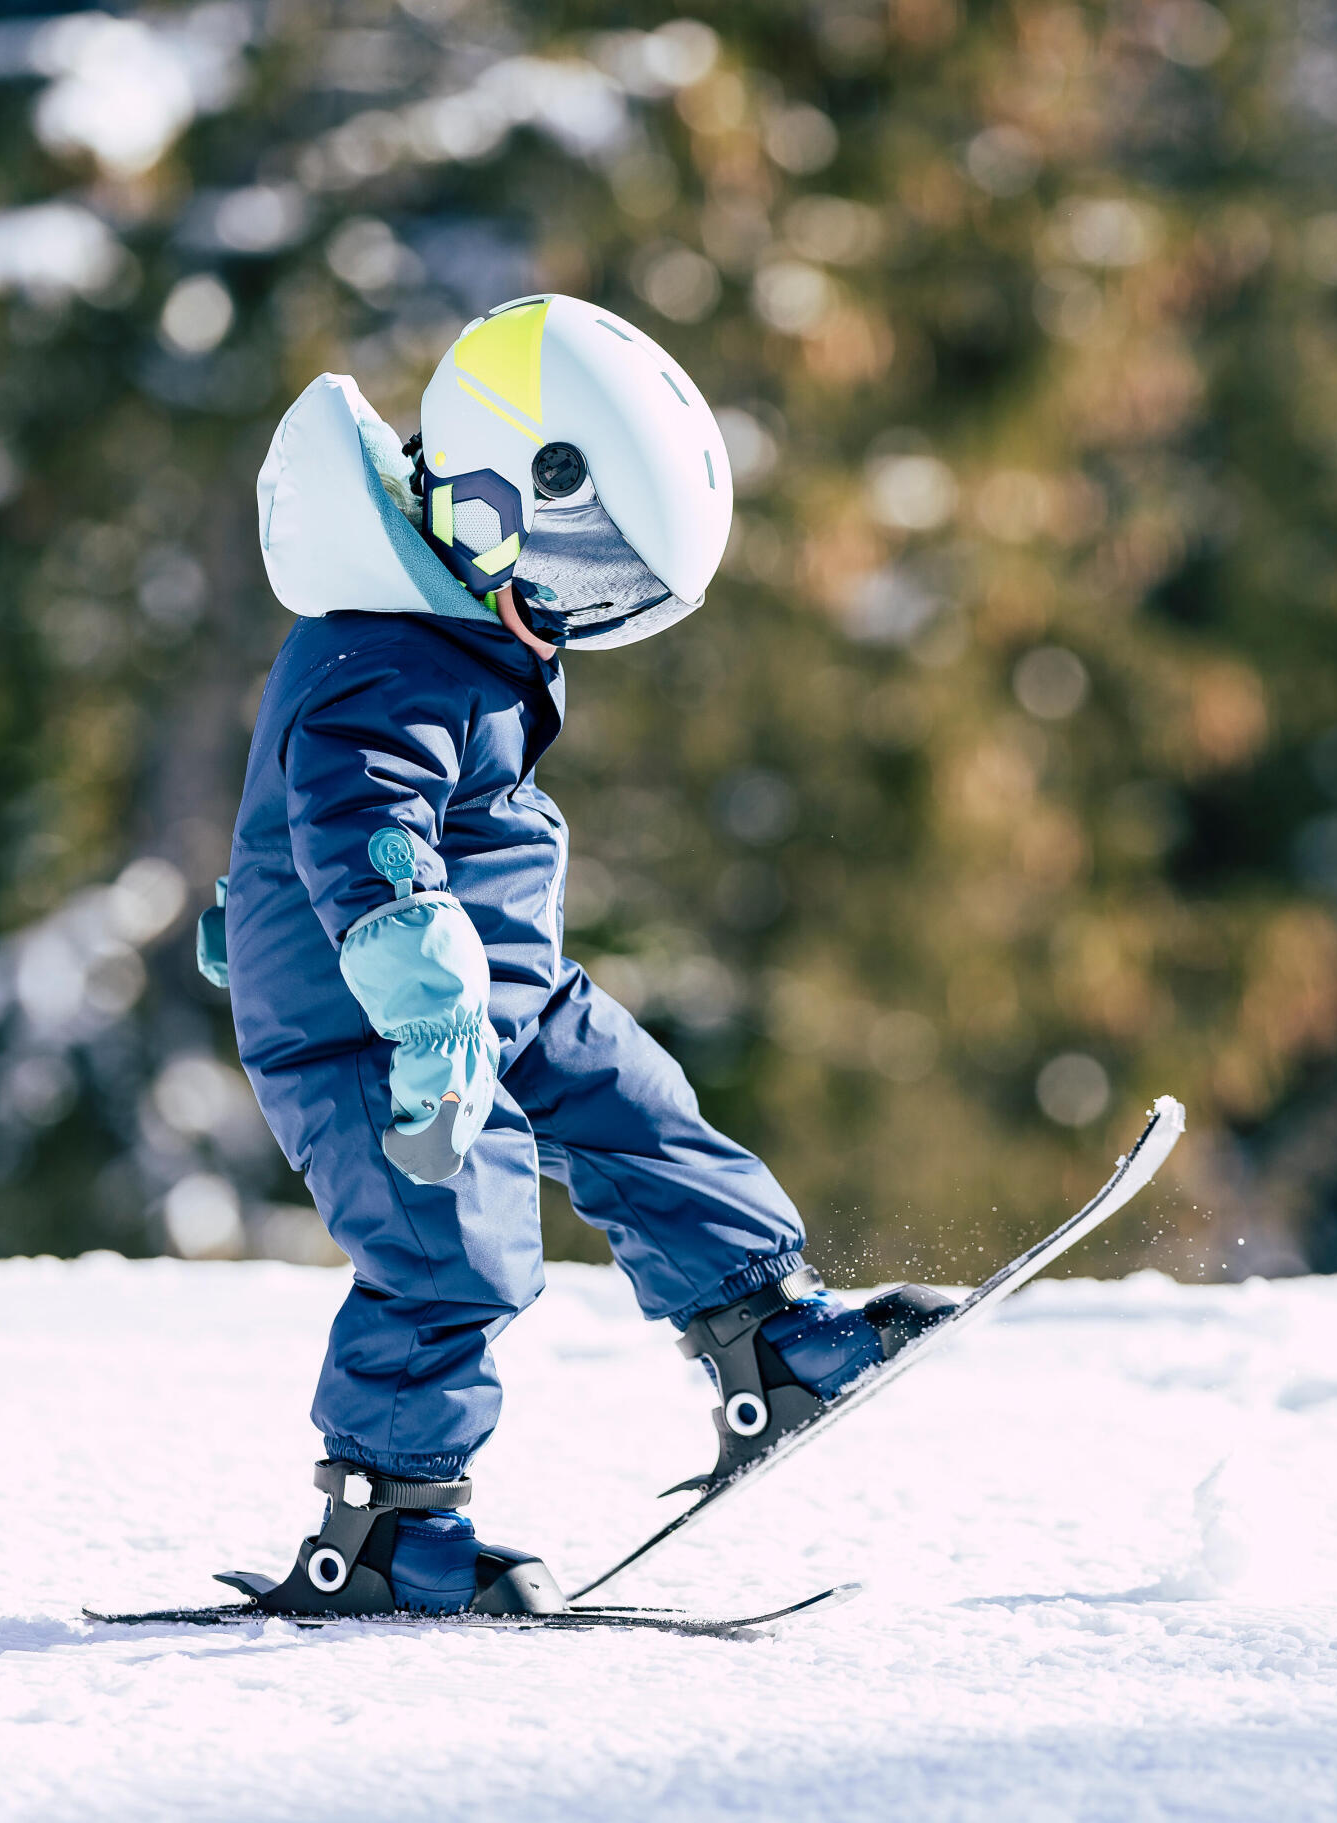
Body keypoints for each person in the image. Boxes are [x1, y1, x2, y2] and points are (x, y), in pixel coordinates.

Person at [210, 296, 951, 1616]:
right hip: (379, 1021)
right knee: (455, 1246)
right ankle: (381, 1533)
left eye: (613, 600)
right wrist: (421, 1006)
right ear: (490, 503)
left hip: (494, 985)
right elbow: (358, 830)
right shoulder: (380, 653)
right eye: (577, 578)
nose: (577, 623)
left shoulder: (451, 622)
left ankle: (764, 1338)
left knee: (635, 1104)